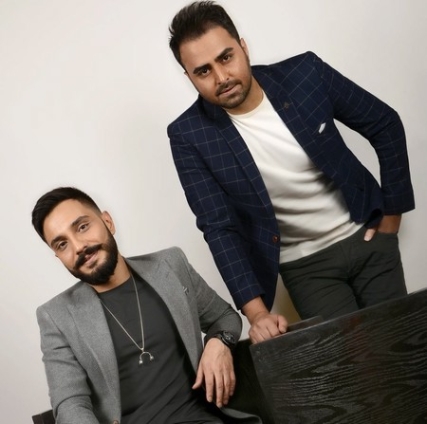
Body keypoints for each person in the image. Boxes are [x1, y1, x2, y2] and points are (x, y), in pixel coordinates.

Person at [167, 1, 415, 344]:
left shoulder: (304, 75)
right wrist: (257, 314)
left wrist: (391, 217)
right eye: (203, 71)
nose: (221, 77)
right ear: (189, 77)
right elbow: (219, 226)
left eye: (226, 57)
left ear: (243, 47)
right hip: (306, 268)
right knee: (352, 365)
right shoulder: (189, 135)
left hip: (368, 236)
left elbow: (384, 123)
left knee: (406, 349)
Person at [32, 186, 261, 424]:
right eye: (62, 244)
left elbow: (224, 316)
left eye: (82, 227)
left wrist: (219, 342)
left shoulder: (170, 265)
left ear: (108, 222)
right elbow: (69, 403)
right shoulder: (56, 316)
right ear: (58, 257)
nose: (78, 246)